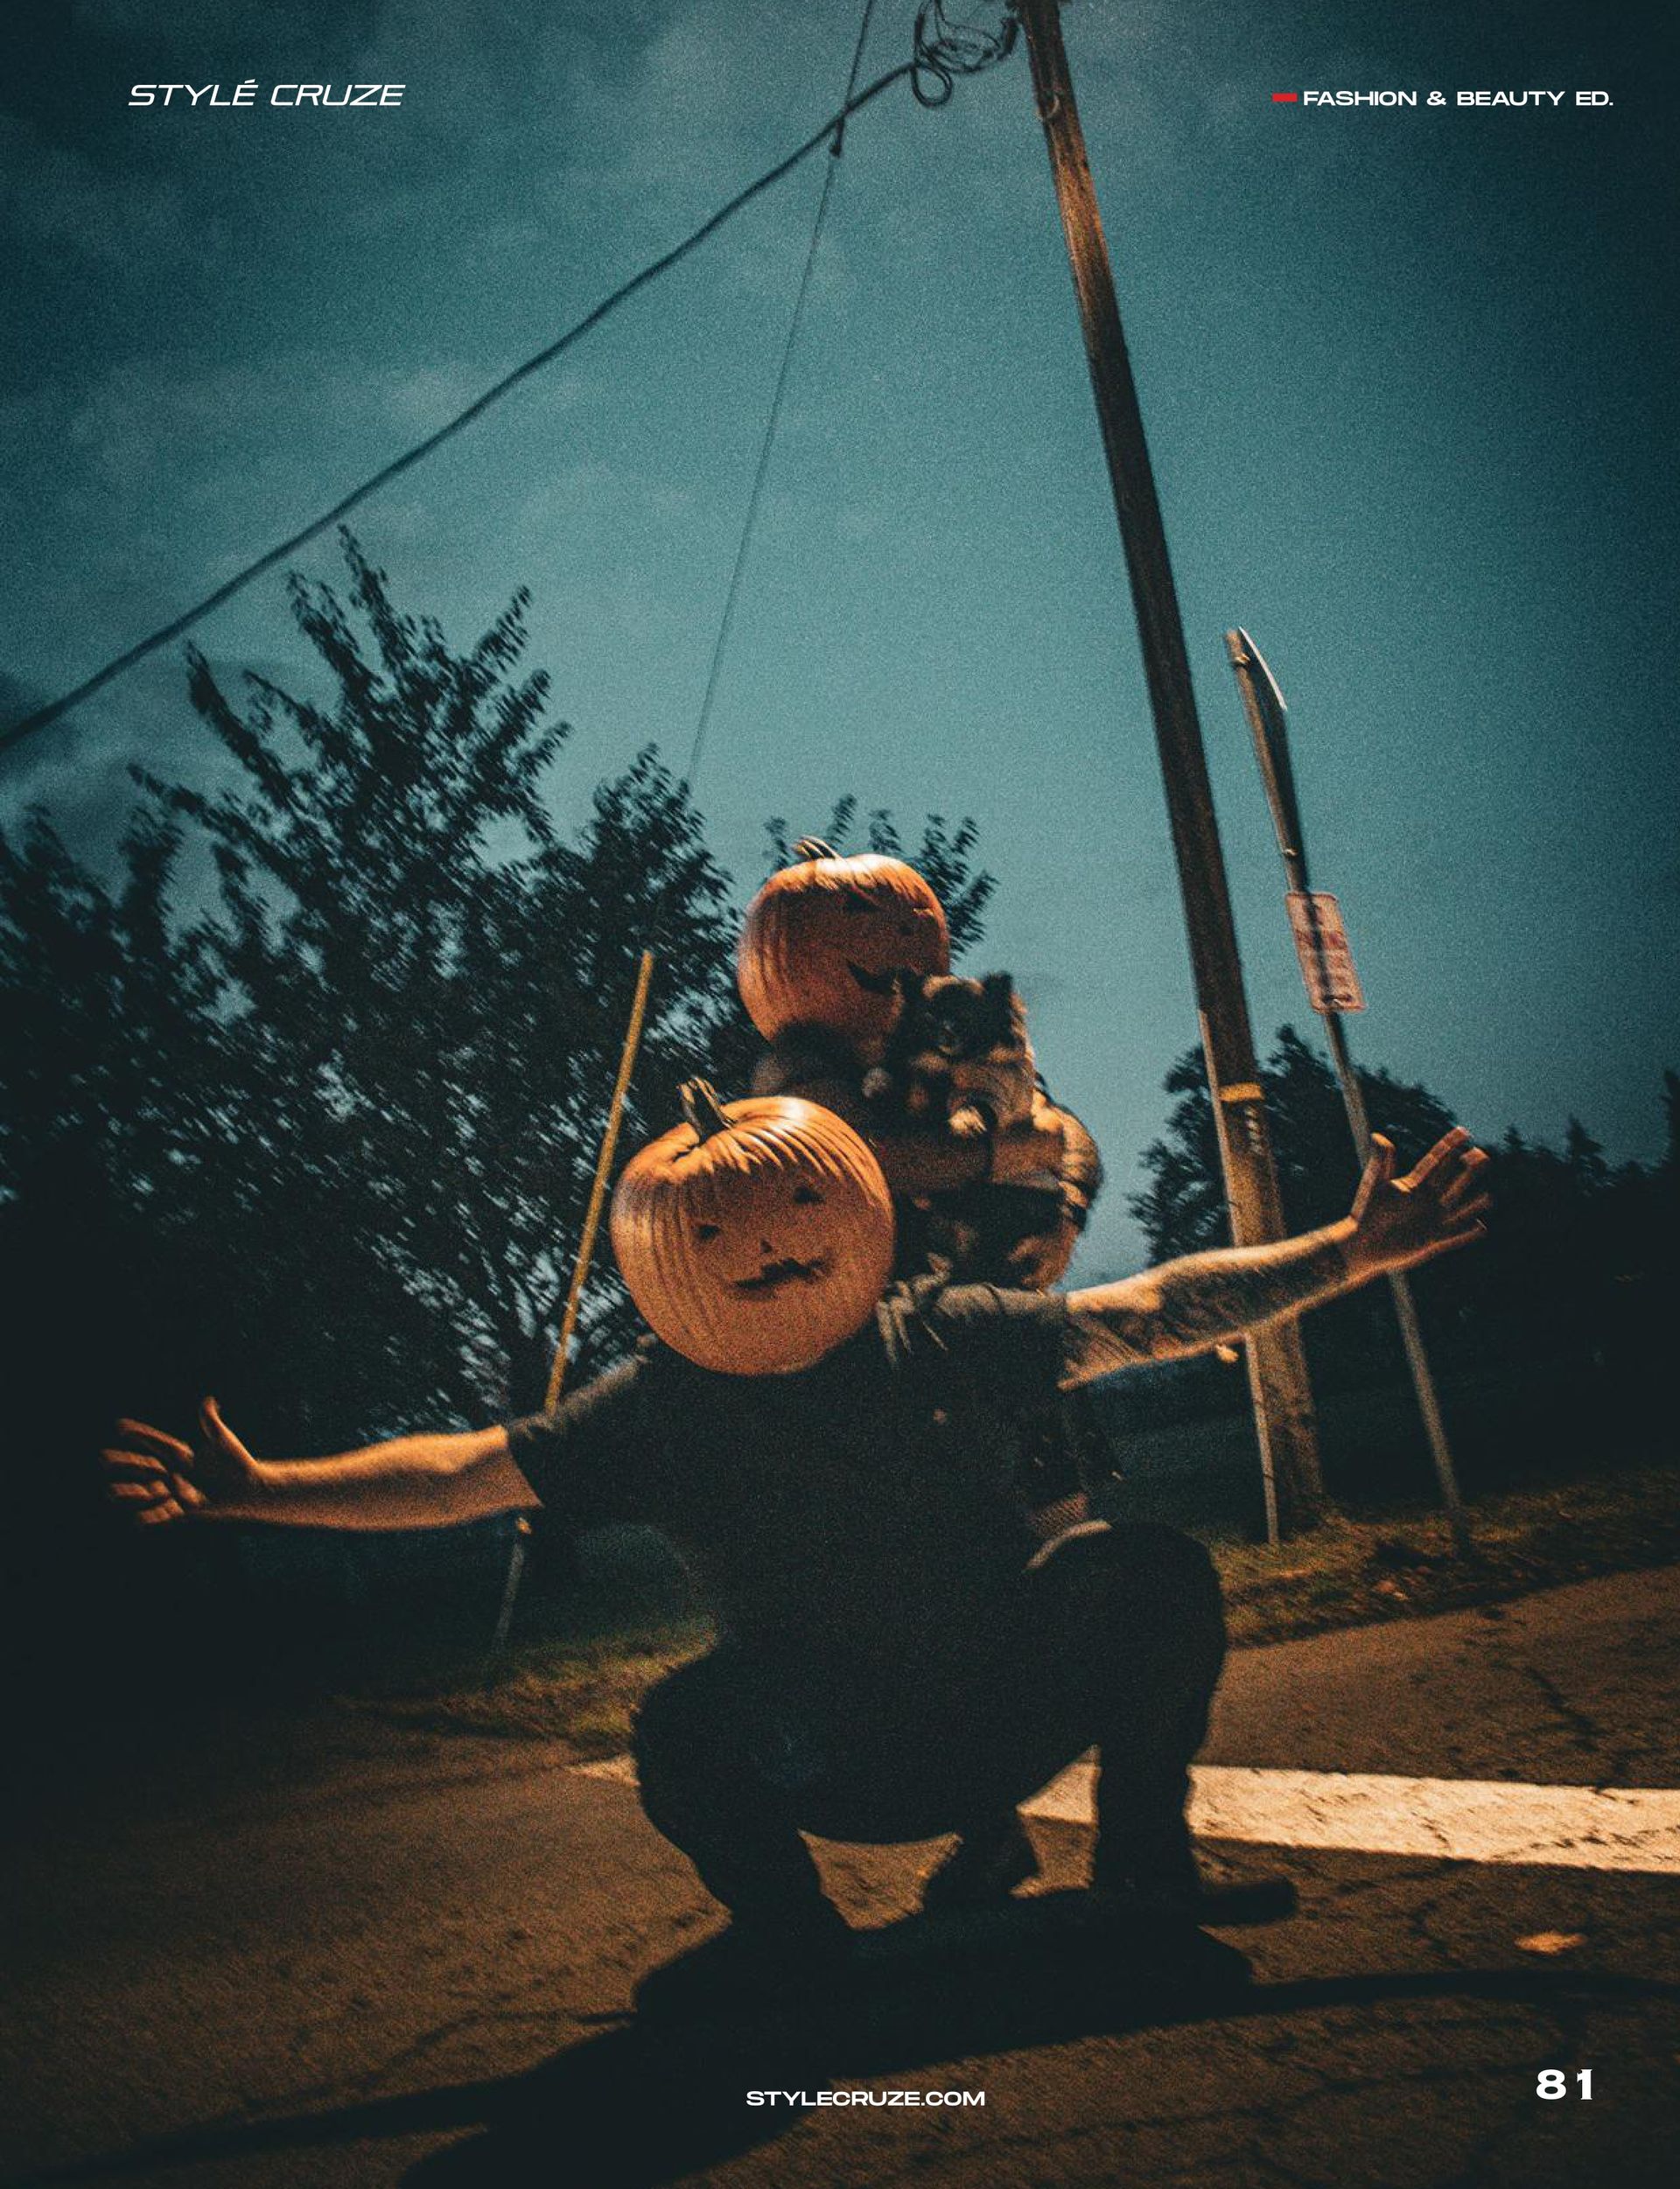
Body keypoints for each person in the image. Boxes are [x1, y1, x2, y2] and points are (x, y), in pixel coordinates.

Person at [105, 1117, 1489, 1999]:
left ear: (855, 1209)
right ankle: (786, 1927)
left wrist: (1345, 1254)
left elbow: (1148, 1311)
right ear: (666, 1261)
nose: (761, 1246)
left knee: (1144, 1568)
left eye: (793, 1210)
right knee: (679, 1723)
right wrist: (262, 1488)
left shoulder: (938, 1326)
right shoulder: (653, 1405)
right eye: (714, 1230)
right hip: (829, 1756)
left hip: (1008, 1701)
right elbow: (464, 1469)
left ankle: (1142, 1859)